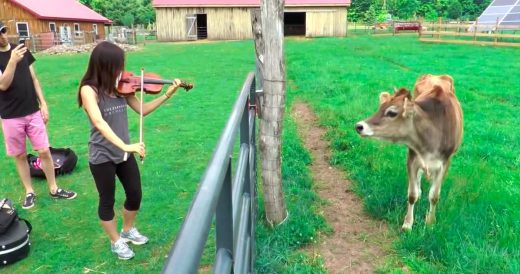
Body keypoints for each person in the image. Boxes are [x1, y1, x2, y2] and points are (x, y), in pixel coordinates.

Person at [77, 41, 182, 260]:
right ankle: (116, 241)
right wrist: (126, 145)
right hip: (102, 155)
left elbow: (142, 110)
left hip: (124, 153)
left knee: (135, 194)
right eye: (118, 65)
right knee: (107, 200)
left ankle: (127, 229)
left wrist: (167, 95)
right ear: (105, 65)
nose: (122, 70)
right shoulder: (89, 90)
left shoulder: (121, 88)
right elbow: (98, 122)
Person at [0, 21, 77, 209]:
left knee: (44, 151)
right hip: (10, 116)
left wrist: (43, 103)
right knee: (20, 155)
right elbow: (3, 84)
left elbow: (34, 78)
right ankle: (29, 191)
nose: (2, 36)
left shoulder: (22, 50)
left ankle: (54, 188)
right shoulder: (12, 56)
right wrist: (11, 61)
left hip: (32, 111)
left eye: (3, 31)